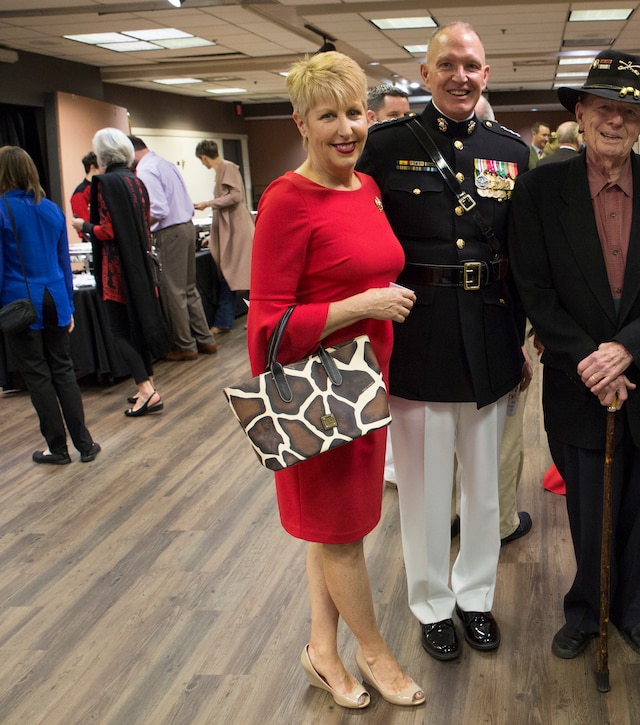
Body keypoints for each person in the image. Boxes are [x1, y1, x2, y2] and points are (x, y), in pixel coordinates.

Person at [510, 49, 640, 660]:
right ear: (581, 113)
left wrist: (627, 350)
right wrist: (590, 360)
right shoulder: (540, 190)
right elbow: (533, 287)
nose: (614, 120)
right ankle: (586, 608)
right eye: (601, 107)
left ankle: (630, 607)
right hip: (577, 380)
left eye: (629, 110)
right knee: (588, 508)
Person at [248, 51, 424, 709]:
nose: (346, 129)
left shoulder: (367, 187)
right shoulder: (286, 200)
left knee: (335, 530)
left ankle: (322, 652)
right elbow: (266, 327)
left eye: (354, 112)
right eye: (328, 116)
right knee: (342, 534)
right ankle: (374, 653)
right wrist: (361, 306)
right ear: (301, 123)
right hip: (318, 395)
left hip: (365, 385)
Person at [356, 21, 529, 662]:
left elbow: (522, 252)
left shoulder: (512, 152)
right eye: (448, 64)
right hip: (417, 331)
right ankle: (431, 603)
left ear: (486, 75)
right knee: (424, 490)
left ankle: (475, 598)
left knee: (484, 488)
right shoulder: (385, 145)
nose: (461, 76)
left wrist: (522, 338)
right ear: (425, 74)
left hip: (489, 330)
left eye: (472, 65)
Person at [1, 145, 100, 464]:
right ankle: (85, 443)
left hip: (20, 303)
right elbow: (63, 263)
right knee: (63, 370)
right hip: (55, 298)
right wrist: (68, 306)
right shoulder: (51, 209)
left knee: (37, 375)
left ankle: (57, 448)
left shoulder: (2, 210)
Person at [72, 129, 171, 416]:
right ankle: (147, 384)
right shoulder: (135, 181)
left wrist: (83, 226)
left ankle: (146, 390)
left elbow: (107, 231)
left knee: (118, 331)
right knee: (136, 328)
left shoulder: (105, 183)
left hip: (116, 271)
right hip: (139, 267)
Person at [129, 136, 217, 361]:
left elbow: (159, 209)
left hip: (169, 233)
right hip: (186, 227)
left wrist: (138, 226)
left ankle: (185, 345)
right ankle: (205, 339)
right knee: (189, 289)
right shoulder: (165, 164)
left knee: (173, 292)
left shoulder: (146, 170)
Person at [193, 139, 253, 334]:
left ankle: (226, 320)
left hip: (238, 231)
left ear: (204, 157)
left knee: (235, 274)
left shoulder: (227, 168)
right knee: (235, 274)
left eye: (201, 160)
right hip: (233, 230)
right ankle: (227, 320)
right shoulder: (222, 171)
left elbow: (236, 196)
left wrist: (208, 203)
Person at [69, 151, 99, 221]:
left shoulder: (101, 187)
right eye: (102, 166)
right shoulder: (80, 194)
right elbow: (83, 224)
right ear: (93, 168)